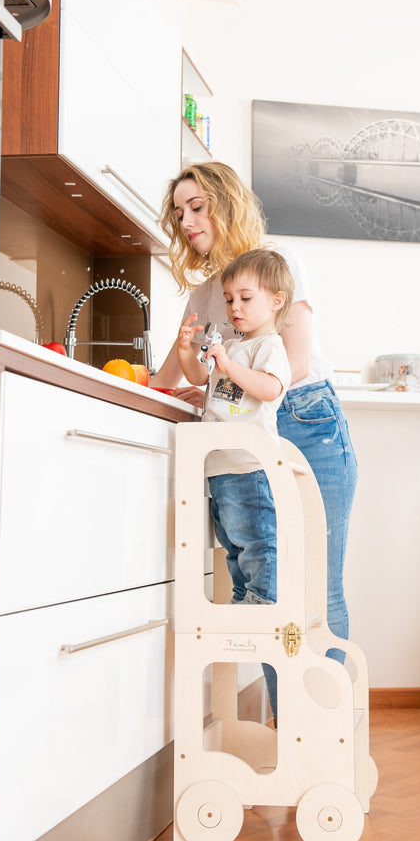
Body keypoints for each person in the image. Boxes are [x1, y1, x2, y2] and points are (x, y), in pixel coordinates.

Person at [153, 161, 358, 668]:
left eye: (196, 207)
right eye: (179, 213)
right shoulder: (206, 295)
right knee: (269, 589)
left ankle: (327, 718)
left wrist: (223, 382)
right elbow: (170, 374)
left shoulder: (276, 264)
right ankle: (284, 715)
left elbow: (295, 363)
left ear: (226, 205)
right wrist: (184, 383)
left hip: (305, 420)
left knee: (316, 586)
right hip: (246, 437)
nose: (186, 221)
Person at [176, 249, 292, 611]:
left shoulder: (269, 346)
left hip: (248, 463)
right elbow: (200, 377)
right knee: (231, 541)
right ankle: (244, 595)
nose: (234, 307)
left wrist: (228, 365)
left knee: (255, 538)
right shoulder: (231, 346)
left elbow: (270, 388)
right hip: (219, 463)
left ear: (275, 301)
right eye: (229, 300)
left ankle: (264, 599)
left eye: (245, 298)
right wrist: (185, 349)